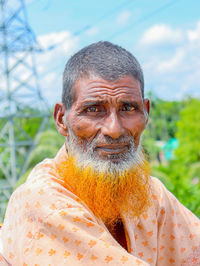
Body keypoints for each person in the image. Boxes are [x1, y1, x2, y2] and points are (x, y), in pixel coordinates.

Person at [0, 41, 200, 266]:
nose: (114, 130)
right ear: (61, 120)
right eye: (93, 109)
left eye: (128, 108)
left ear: (146, 113)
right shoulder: (44, 203)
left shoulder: (150, 194)